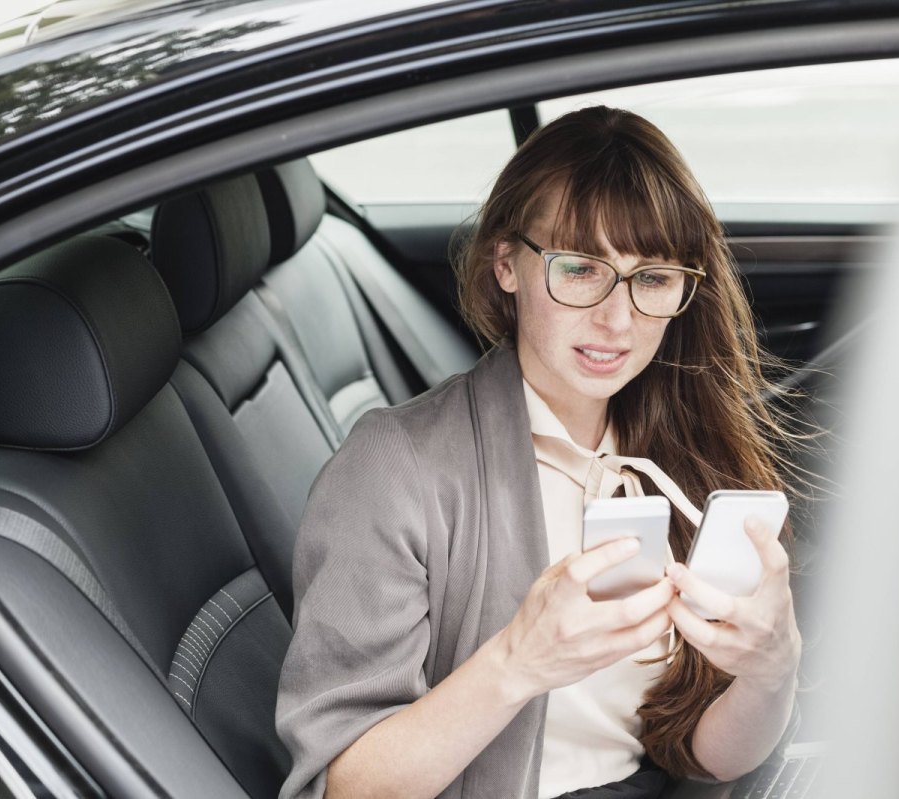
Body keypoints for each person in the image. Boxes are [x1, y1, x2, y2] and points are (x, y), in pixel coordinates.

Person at [275, 106, 803, 799]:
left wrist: (773, 667)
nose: (618, 319)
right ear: (507, 264)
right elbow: (340, 787)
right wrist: (520, 661)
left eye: (652, 278)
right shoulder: (395, 468)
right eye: (581, 269)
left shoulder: (674, 449)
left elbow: (704, 754)